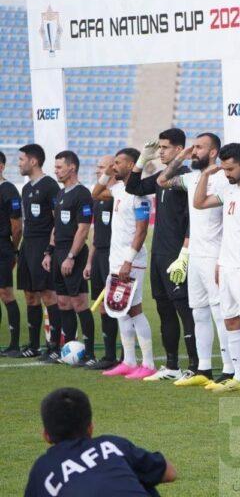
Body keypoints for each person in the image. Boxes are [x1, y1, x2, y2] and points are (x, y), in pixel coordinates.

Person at [157, 132, 234, 387]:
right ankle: (204, 368)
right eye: (193, 147)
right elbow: (161, 180)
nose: (194, 151)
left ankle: (230, 369)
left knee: (219, 312)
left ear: (213, 152)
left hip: (215, 254)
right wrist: (181, 156)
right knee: (199, 312)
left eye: (199, 147)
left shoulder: (223, 178)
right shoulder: (190, 178)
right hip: (195, 255)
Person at [193, 143, 240, 395]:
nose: (226, 174)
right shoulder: (228, 190)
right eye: (224, 169)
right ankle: (239, 376)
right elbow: (199, 203)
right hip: (226, 266)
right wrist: (206, 175)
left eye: (230, 169)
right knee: (230, 320)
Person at [125, 129, 198, 381]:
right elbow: (133, 187)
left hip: (176, 255)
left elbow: (192, 220)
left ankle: (196, 366)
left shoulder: (188, 178)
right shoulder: (160, 177)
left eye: (165, 147)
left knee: (185, 310)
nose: (161, 152)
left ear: (179, 150)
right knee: (164, 310)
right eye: (160, 147)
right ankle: (171, 366)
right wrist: (141, 160)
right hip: (158, 254)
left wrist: (184, 254)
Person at [24, 387, 176, 497]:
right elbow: (170, 473)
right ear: (90, 428)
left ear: (46, 436)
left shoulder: (41, 470)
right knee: (142, 478)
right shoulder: (112, 445)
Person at [92, 149, 154, 379]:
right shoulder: (118, 189)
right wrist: (107, 173)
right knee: (120, 310)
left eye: (118, 163)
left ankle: (148, 363)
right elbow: (96, 193)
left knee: (134, 309)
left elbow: (141, 231)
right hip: (115, 260)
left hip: (131, 261)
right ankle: (128, 361)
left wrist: (128, 261)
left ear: (131, 165)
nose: (114, 166)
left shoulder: (140, 196)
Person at [43, 151, 96, 366]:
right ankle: (68, 349)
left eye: (59, 167)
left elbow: (83, 229)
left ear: (72, 167)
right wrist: (49, 252)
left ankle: (90, 354)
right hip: (58, 254)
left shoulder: (82, 194)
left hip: (74, 254)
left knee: (79, 302)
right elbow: (56, 227)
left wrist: (71, 256)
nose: (56, 171)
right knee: (63, 302)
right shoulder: (61, 193)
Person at [15, 144, 62, 361]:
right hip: (27, 246)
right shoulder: (26, 188)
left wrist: (50, 250)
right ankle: (33, 345)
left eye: (21, 159)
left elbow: (57, 220)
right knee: (29, 294)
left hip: (42, 246)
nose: (19, 163)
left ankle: (54, 346)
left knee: (48, 294)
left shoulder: (50, 186)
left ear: (33, 161)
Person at [83, 155, 120, 370]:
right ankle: (109, 355)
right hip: (99, 256)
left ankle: (125, 356)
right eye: (97, 166)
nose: (98, 170)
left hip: (114, 256)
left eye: (102, 167)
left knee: (120, 305)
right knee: (104, 307)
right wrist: (90, 262)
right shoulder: (98, 198)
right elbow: (96, 233)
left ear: (113, 169)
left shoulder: (119, 195)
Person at [0, 151, 23, 358]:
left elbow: (17, 227)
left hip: (3, 247)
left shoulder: (8, 190)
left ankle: (14, 344)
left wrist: (13, 250)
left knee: (6, 293)